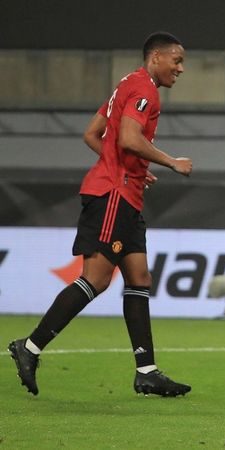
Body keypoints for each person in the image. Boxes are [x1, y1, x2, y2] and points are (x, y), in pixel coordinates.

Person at [8, 31, 193, 397]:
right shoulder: (145, 90)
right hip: (113, 196)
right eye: (177, 60)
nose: (181, 69)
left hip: (125, 193)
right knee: (96, 279)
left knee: (139, 277)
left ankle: (147, 372)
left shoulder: (127, 83)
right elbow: (126, 137)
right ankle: (29, 347)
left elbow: (93, 134)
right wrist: (170, 161)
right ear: (156, 57)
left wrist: (135, 164)